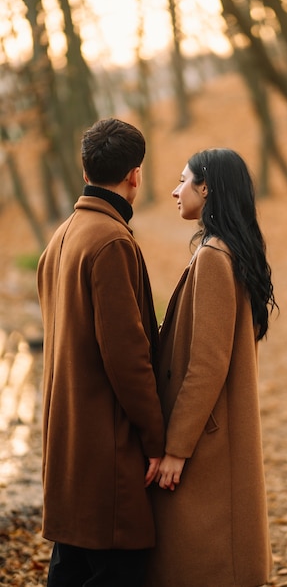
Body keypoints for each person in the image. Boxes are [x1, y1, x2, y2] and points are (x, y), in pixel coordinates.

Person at [37, 117, 165, 587]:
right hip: (107, 455)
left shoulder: (62, 236)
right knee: (118, 572)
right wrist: (156, 440)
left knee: (69, 568)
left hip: (69, 450)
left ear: (85, 168)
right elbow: (127, 357)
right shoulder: (110, 241)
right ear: (135, 174)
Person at [146, 148, 278, 587]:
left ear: (206, 188)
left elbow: (207, 364)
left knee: (204, 564)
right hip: (213, 434)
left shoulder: (214, 257)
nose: (174, 190)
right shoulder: (224, 251)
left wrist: (177, 449)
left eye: (183, 180)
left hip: (206, 442)